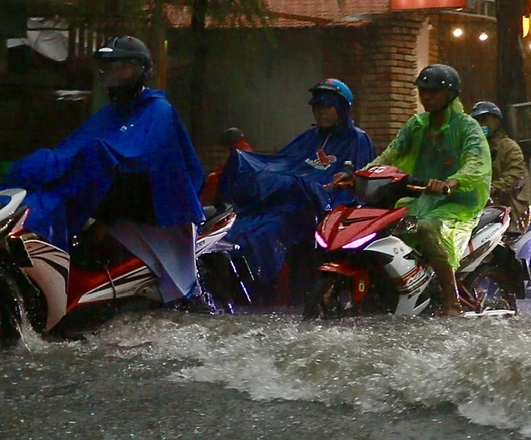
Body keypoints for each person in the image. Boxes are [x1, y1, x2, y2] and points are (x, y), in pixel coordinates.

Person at [8, 36, 205, 302]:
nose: (115, 74)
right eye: (109, 68)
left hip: (152, 211)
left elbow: (135, 154)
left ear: (142, 70)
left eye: (123, 67)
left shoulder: (159, 109)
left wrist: (94, 156)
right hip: (110, 201)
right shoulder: (109, 113)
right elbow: (73, 149)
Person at [217, 79, 374, 302]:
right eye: (317, 108)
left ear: (341, 107)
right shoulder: (309, 138)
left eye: (327, 107)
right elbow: (283, 163)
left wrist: (316, 189)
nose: (321, 113)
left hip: (321, 209)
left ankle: (265, 292)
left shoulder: (357, 139)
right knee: (241, 230)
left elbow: (359, 179)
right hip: (290, 203)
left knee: (267, 232)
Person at [373, 64, 491, 316]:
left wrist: (452, 182)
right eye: (423, 90)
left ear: (449, 95)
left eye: (433, 91)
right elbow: (390, 154)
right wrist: (361, 174)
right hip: (421, 198)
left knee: (427, 227)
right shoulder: (416, 125)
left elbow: (476, 162)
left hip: (459, 202)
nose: (426, 96)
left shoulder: (467, 127)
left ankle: (452, 302)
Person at [469, 100, 531, 231]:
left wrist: (491, 189)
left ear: (495, 122)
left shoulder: (509, 148)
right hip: (480, 208)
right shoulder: (473, 149)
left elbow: (513, 177)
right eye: (477, 121)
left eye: (484, 120)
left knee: (507, 243)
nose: (480, 125)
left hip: (510, 207)